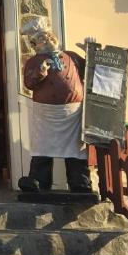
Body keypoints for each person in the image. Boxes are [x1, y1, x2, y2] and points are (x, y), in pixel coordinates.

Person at [17, 18, 94, 194]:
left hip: (72, 114)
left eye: (49, 37)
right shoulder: (33, 62)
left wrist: (91, 53)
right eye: (42, 39)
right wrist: (40, 73)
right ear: (35, 44)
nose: (48, 41)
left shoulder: (72, 57)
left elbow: (89, 72)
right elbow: (29, 83)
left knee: (75, 149)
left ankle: (80, 183)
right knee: (43, 146)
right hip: (46, 114)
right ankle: (39, 181)